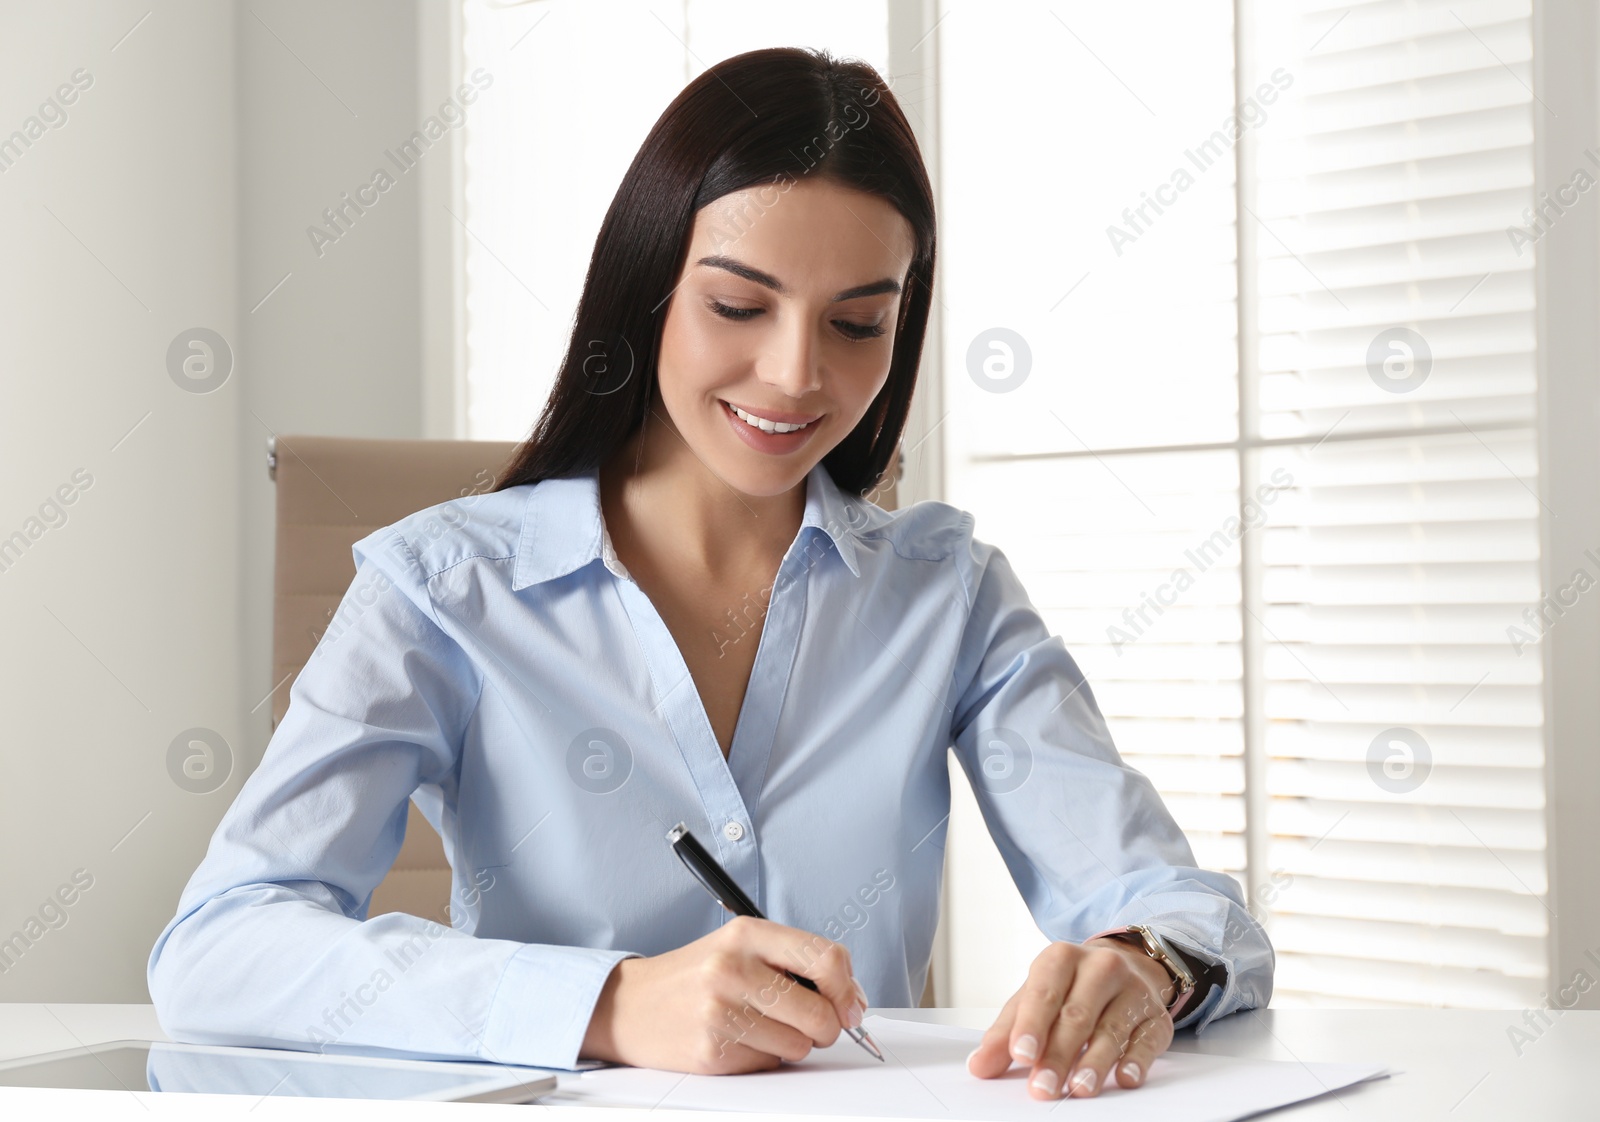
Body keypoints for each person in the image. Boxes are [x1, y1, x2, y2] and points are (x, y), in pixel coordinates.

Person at [148, 46, 1272, 1101]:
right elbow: (222, 946)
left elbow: (1174, 904)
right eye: (738, 306)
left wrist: (1142, 964)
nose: (794, 375)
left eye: (858, 323)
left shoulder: (949, 594)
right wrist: (610, 1003)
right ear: (647, 291)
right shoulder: (440, 590)